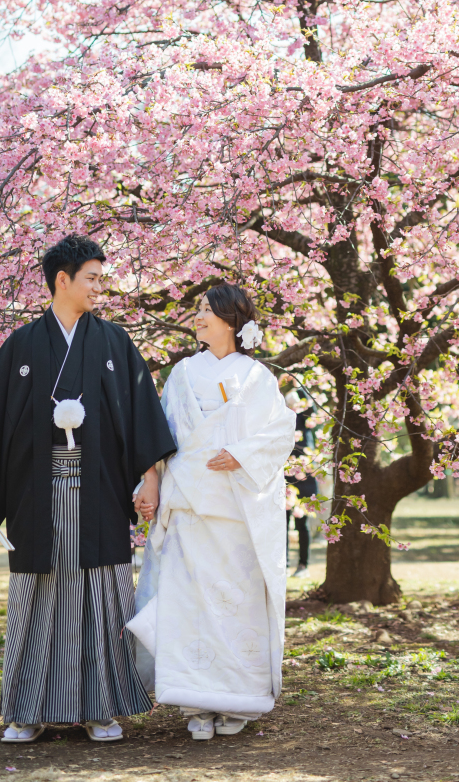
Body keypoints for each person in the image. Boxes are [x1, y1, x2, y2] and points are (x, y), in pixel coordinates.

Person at [0, 234, 176, 744]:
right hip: (37, 490)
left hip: (98, 490)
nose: (100, 287)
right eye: (92, 278)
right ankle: (27, 711)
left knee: (100, 593)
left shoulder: (114, 342)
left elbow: (142, 417)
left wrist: (150, 476)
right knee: (37, 595)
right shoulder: (24, 344)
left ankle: (101, 709)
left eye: (101, 277)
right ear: (63, 280)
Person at [128, 284, 296, 742]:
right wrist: (152, 481)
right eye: (197, 308)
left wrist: (241, 453)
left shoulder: (257, 376)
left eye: (205, 310)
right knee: (189, 606)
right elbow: (160, 433)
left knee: (235, 607)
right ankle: (195, 701)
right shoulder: (183, 372)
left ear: (230, 320)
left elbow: (282, 433)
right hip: (189, 506)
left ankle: (238, 698)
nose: (197, 316)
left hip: (235, 508)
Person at [284, 389, 318, 579]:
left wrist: (297, 386)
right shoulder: (280, 420)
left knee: (302, 524)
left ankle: (303, 564)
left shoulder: (305, 422)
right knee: (282, 522)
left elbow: (310, 407)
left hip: (305, 476)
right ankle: (285, 564)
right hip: (285, 476)